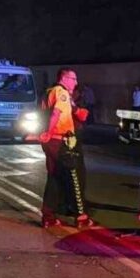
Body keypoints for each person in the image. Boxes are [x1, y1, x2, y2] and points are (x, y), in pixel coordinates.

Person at [38, 68, 91, 228]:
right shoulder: (62, 93)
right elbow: (56, 113)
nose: (76, 82)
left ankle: (48, 216)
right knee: (74, 176)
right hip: (59, 140)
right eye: (73, 79)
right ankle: (81, 216)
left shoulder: (48, 92)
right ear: (64, 78)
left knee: (54, 177)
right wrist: (49, 132)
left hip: (50, 142)